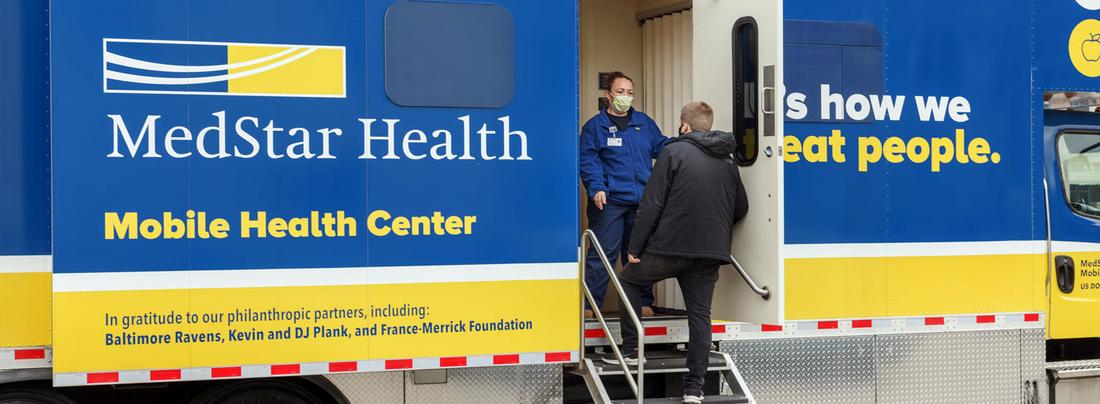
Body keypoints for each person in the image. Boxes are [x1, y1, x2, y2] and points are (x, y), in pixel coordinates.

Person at [607, 101, 748, 404]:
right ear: (708, 125)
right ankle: (694, 388)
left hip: (670, 247)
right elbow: (741, 208)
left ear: (684, 124)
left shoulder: (673, 152)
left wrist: (635, 247)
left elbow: (651, 205)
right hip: (711, 252)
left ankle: (632, 352)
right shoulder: (727, 160)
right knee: (701, 317)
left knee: (629, 281)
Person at [579, 71, 667, 317]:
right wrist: (596, 187)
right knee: (602, 254)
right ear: (608, 96)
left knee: (638, 255)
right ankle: (590, 306)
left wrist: (687, 142)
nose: (625, 97)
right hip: (610, 203)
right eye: (620, 92)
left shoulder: (644, 123)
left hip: (641, 203)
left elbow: (661, 147)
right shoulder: (595, 127)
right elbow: (589, 160)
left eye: (629, 92)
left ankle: (642, 303)